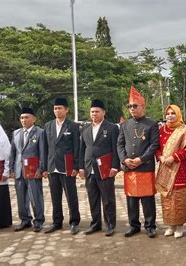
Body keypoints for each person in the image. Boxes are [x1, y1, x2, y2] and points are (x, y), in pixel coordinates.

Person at [117, 86, 159, 238]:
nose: (132, 109)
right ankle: (134, 225)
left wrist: (141, 159)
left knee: (147, 198)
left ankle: (150, 226)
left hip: (145, 167)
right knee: (131, 198)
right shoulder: (125, 124)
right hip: (129, 167)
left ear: (143, 106)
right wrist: (124, 159)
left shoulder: (151, 124)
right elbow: (120, 144)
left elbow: (154, 145)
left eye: (135, 106)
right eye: (130, 106)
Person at [79, 99, 120, 237]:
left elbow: (116, 149)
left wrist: (115, 166)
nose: (94, 114)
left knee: (108, 199)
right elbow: (82, 149)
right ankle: (95, 224)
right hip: (89, 168)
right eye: (92, 112)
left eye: (97, 111)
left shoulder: (112, 128)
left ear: (103, 112)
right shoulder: (85, 128)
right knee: (93, 198)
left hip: (105, 170)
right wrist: (81, 167)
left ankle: (110, 225)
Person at [43, 98, 81, 235]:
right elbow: (44, 148)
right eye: (55, 108)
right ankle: (56, 222)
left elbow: (77, 147)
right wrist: (44, 167)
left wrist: (76, 166)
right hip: (52, 166)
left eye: (60, 108)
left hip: (68, 166)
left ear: (66, 110)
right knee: (55, 197)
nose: (57, 111)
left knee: (71, 196)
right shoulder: (48, 126)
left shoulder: (73, 126)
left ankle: (74, 222)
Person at [155, 105, 186, 239]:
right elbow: (157, 147)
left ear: (178, 115)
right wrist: (160, 157)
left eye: (173, 113)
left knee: (179, 197)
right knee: (167, 197)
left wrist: (174, 157)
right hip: (165, 167)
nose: (170, 116)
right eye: (168, 113)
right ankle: (171, 225)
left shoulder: (184, 130)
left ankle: (180, 226)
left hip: (180, 167)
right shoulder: (161, 130)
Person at [9, 107, 46, 233]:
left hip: (33, 171)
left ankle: (39, 221)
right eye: (22, 118)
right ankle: (25, 220)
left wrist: (40, 169)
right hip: (19, 170)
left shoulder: (40, 132)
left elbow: (42, 153)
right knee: (21, 198)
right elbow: (12, 153)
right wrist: (11, 169)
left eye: (27, 117)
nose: (24, 120)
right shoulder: (16, 133)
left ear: (34, 119)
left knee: (35, 197)